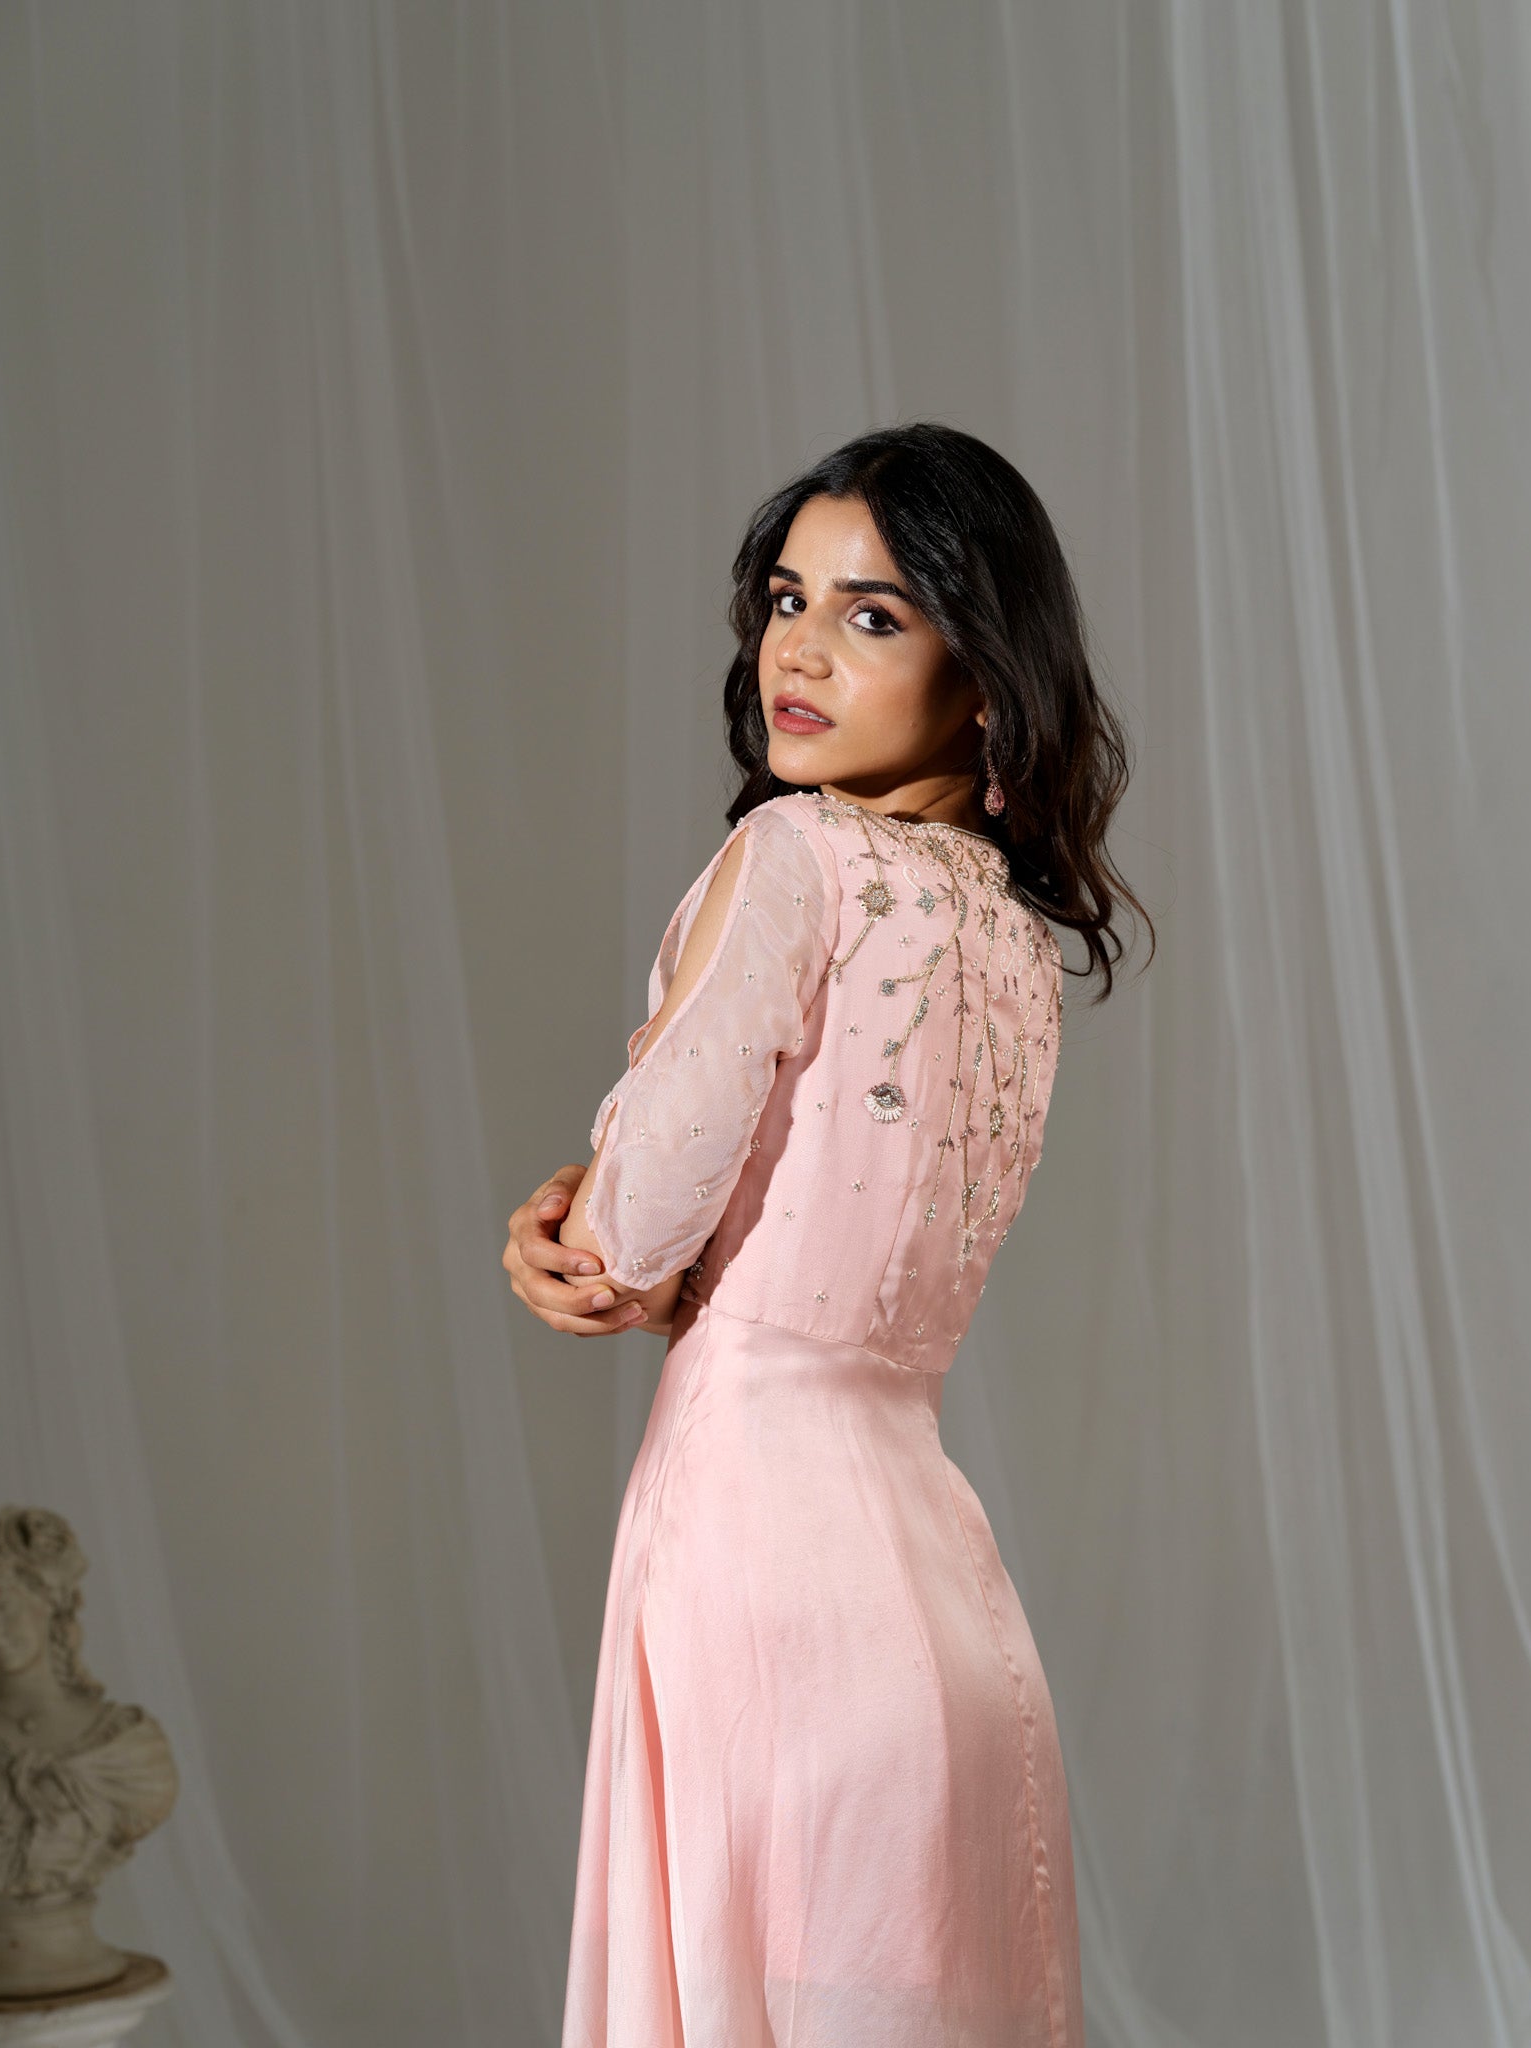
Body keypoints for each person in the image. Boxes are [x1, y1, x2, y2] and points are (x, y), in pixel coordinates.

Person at [503, 422, 1150, 2045]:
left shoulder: (795, 855)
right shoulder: (1009, 931)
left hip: (765, 1565)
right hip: (938, 1593)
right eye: (788, 599)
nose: (797, 647)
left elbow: (645, 1228)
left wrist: (576, 1216)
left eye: (874, 615)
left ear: (984, 673)